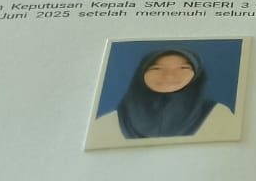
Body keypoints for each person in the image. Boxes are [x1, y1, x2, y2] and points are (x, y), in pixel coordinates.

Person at [89, 47, 237, 143]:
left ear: (197, 75)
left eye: (183, 68)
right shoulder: (108, 123)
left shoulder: (219, 115)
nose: (169, 76)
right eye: (157, 69)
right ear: (141, 74)